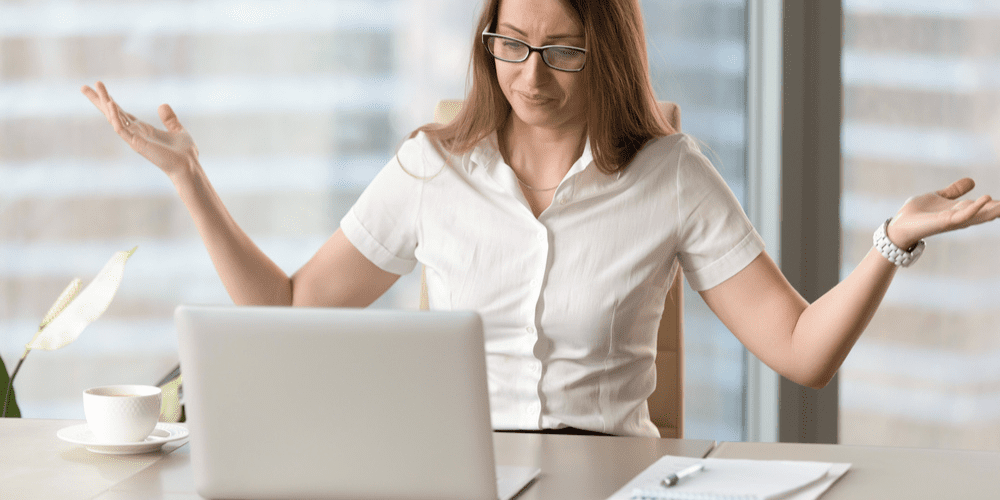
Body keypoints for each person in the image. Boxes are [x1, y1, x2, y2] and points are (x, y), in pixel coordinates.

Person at [81, 0, 1000, 438]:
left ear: (607, 48)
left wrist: (893, 240)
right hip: (462, 478)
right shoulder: (431, 166)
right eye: (511, 46)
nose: (530, 75)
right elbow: (286, 311)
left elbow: (802, 351)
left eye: (560, 49)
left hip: (616, 479)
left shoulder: (672, 174)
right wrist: (189, 179)